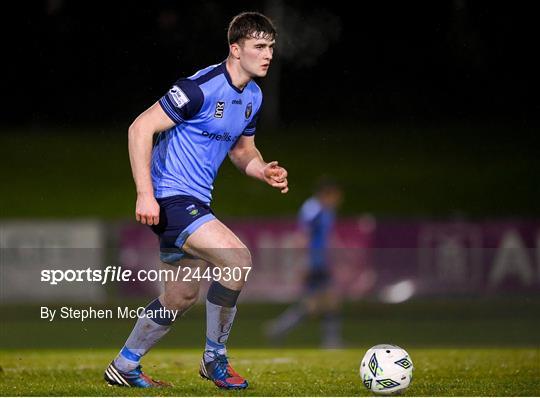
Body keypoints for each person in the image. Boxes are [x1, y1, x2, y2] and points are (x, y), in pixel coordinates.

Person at [104, 12, 288, 390]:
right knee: (237, 260)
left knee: (180, 295)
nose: (267, 54)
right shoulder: (200, 87)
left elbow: (242, 150)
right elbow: (140, 127)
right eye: (258, 46)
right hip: (170, 197)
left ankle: (124, 365)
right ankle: (214, 359)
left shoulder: (253, 96)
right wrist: (145, 193)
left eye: (270, 46)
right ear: (235, 50)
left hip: (193, 201)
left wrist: (262, 169)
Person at [265, 177, 343, 348]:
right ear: (327, 194)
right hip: (313, 263)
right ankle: (280, 329)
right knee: (317, 305)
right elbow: (303, 238)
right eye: (336, 195)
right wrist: (303, 263)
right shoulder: (313, 210)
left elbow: (324, 238)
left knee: (324, 303)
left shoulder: (327, 210)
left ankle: (330, 342)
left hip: (321, 263)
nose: (338, 199)